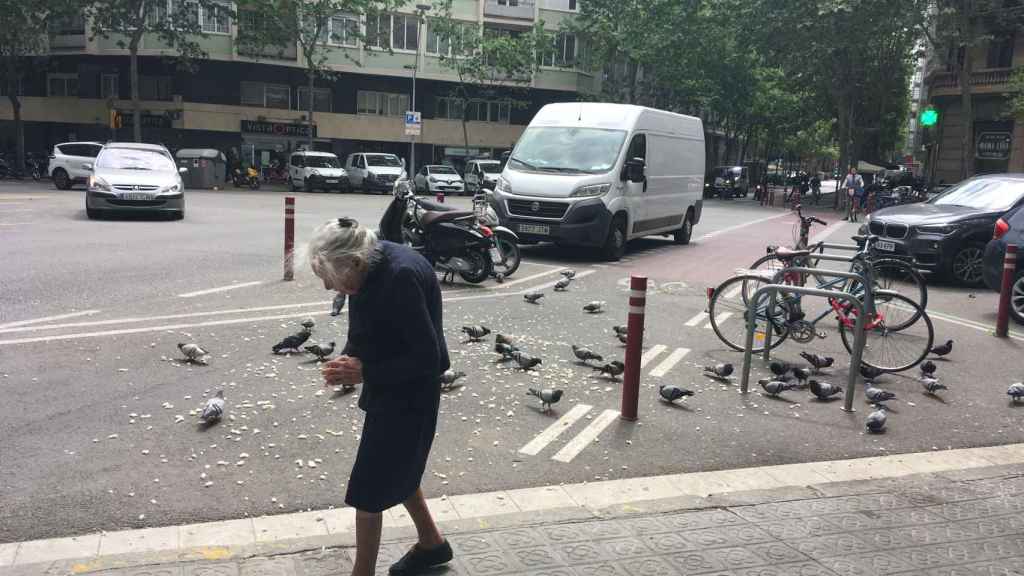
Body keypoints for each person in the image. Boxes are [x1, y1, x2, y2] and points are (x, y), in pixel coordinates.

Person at [308, 218, 453, 576]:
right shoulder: (368, 268)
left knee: (368, 490)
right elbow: (363, 328)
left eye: (330, 276)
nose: (329, 285)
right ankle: (432, 544)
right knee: (400, 472)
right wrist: (348, 358)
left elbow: (430, 359)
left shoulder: (400, 276)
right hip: (391, 389)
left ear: (354, 262)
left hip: (410, 398)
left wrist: (366, 372)